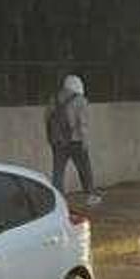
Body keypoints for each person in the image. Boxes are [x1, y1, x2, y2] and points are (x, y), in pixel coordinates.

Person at [46, 74, 101, 205]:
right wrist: (85, 141)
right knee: (84, 169)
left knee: (58, 171)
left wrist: (52, 138)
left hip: (58, 141)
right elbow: (82, 123)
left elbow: (47, 118)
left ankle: (58, 199)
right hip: (76, 140)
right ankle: (90, 195)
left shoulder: (54, 98)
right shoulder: (80, 100)